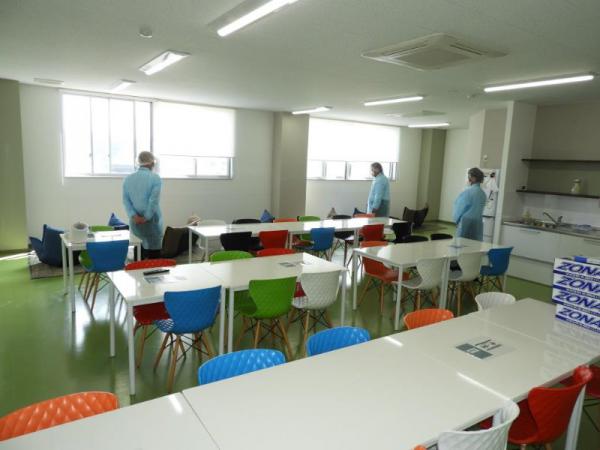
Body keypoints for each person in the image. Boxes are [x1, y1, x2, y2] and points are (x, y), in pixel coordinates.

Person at [123, 151, 163, 259]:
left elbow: (126, 201)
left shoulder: (128, 179)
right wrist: (146, 217)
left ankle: (138, 269)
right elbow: (153, 201)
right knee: (154, 256)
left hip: (135, 223)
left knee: (138, 250)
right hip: (152, 222)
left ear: (138, 162)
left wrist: (134, 216)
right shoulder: (155, 178)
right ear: (152, 163)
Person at [453, 167, 487, 241]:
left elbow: (459, 209)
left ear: (473, 178)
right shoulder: (483, 194)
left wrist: (456, 220)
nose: (468, 179)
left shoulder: (467, 192)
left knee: (461, 244)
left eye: (469, 176)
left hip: (465, 223)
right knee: (475, 245)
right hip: (477, 223)